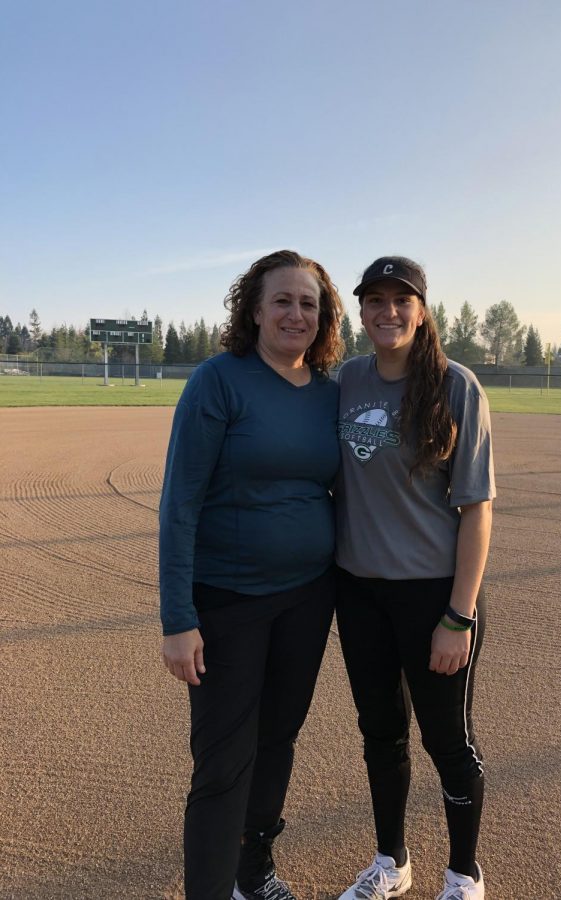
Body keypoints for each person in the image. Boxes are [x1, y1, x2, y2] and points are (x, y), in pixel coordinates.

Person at [159, 250, 344, 900]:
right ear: (254, 309)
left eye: (308, 304)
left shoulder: (331, 392)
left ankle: (253, 871)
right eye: (283, 301)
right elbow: (179, 501)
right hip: (228, 600)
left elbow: (370, 460)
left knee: (277, 742)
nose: (296, 313)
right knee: (222, 763)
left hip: (307, 598)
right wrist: (178, 619)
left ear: (323, 318)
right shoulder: (219, 381)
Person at [334, 257, 495, 900]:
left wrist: (459, 615)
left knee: (448, 743)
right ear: (362, 312)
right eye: (374, 300)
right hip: (359, 592)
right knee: (381, 736)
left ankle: (462, 874)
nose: (387, 312)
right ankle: (390, 862)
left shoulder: (456, 386)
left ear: (421, 310)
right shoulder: (345, 380)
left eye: (401, 300)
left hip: (433, 596)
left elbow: (477, 509)